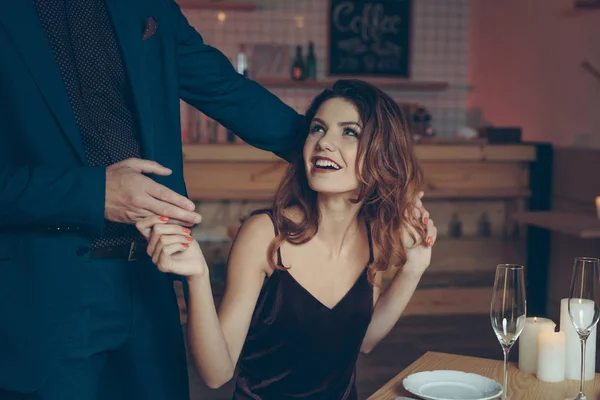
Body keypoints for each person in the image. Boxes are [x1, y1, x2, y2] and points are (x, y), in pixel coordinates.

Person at [0, 1, 305, 399]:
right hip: (41, 293)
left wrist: (349, 156)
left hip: (151, 279)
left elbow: (229, 92)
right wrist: (94, 193)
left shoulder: (149, 5)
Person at [137, 79, 438, 399]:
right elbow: (216, 374)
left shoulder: (372, 236)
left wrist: (414, 268)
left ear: (382, 155)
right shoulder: (265, 234)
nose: (324, 142)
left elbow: (363, 340)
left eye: (349, 132)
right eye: (318, 128)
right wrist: (198, 277)